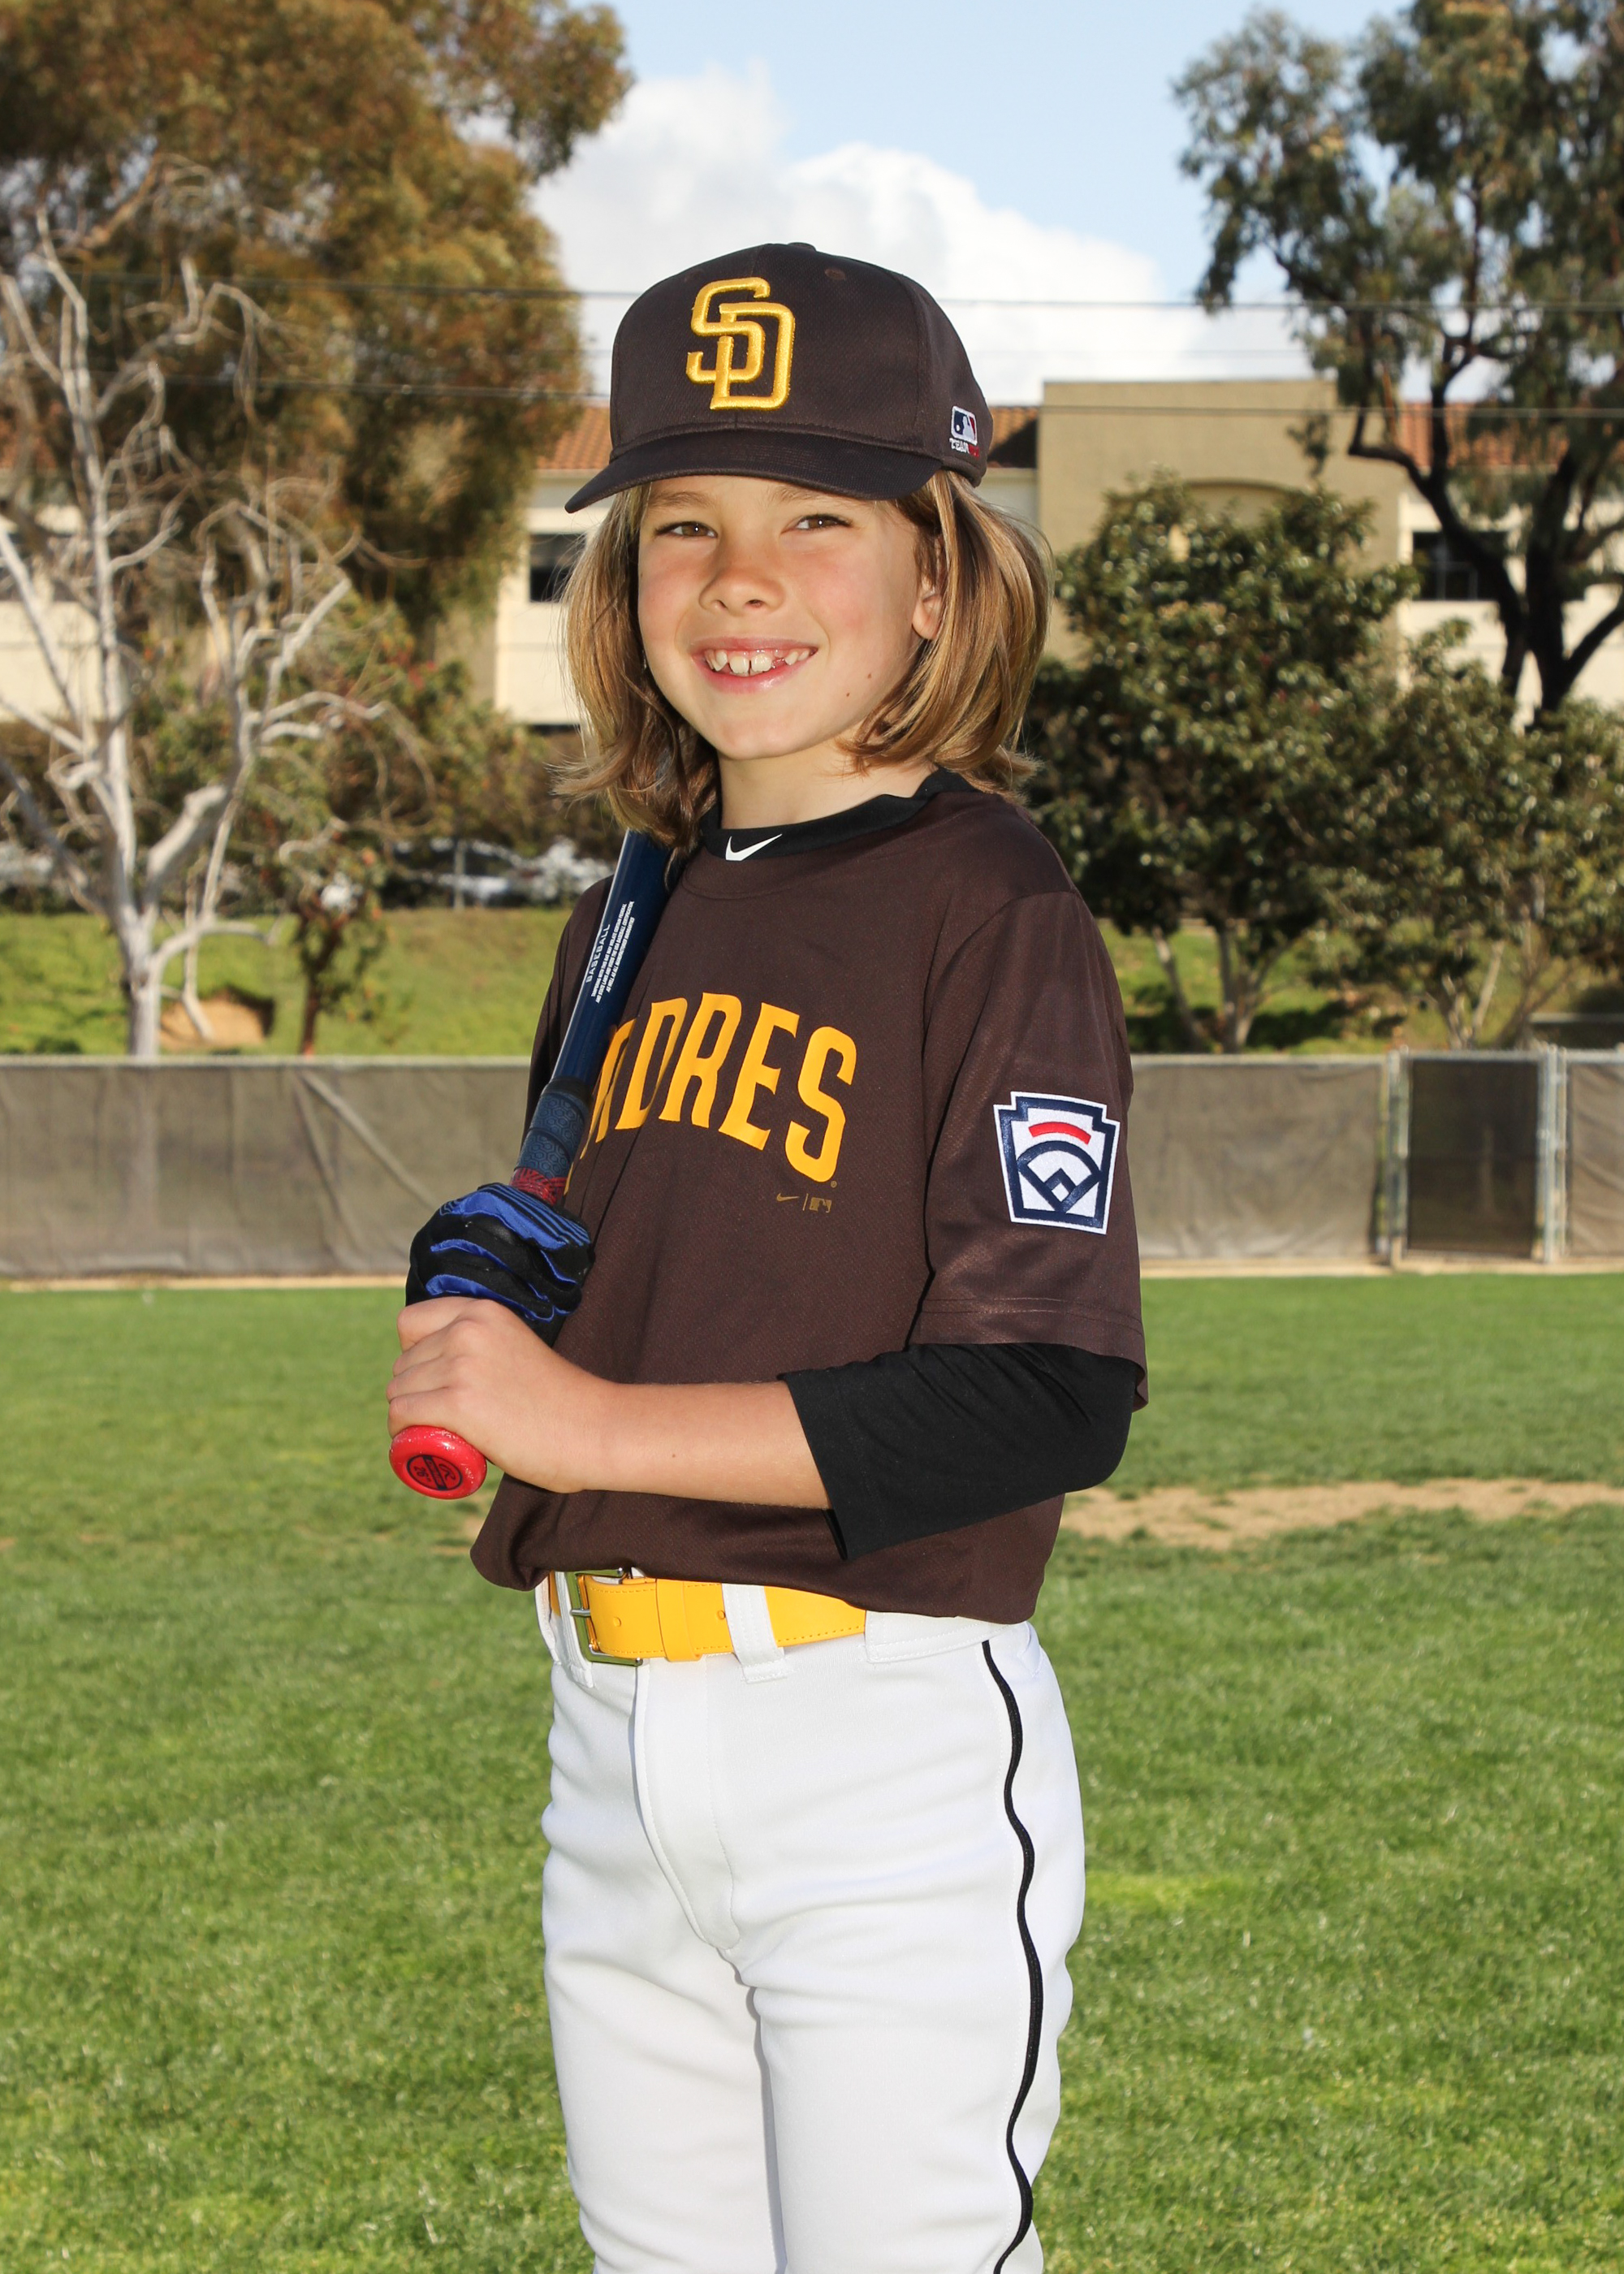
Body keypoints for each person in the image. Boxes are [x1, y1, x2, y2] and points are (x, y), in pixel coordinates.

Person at [387, 244, 1146, 2274]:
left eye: (819, 518)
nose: (741, 578)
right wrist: (508, 1282)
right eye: (684, 524)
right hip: (610, 1737)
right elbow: (672, 1270)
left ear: (939, 576)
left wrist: (580, 1417)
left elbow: (1044, 1391)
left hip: (872, 1737)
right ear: (623, 579)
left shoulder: (990, 902)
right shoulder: (624, 918)